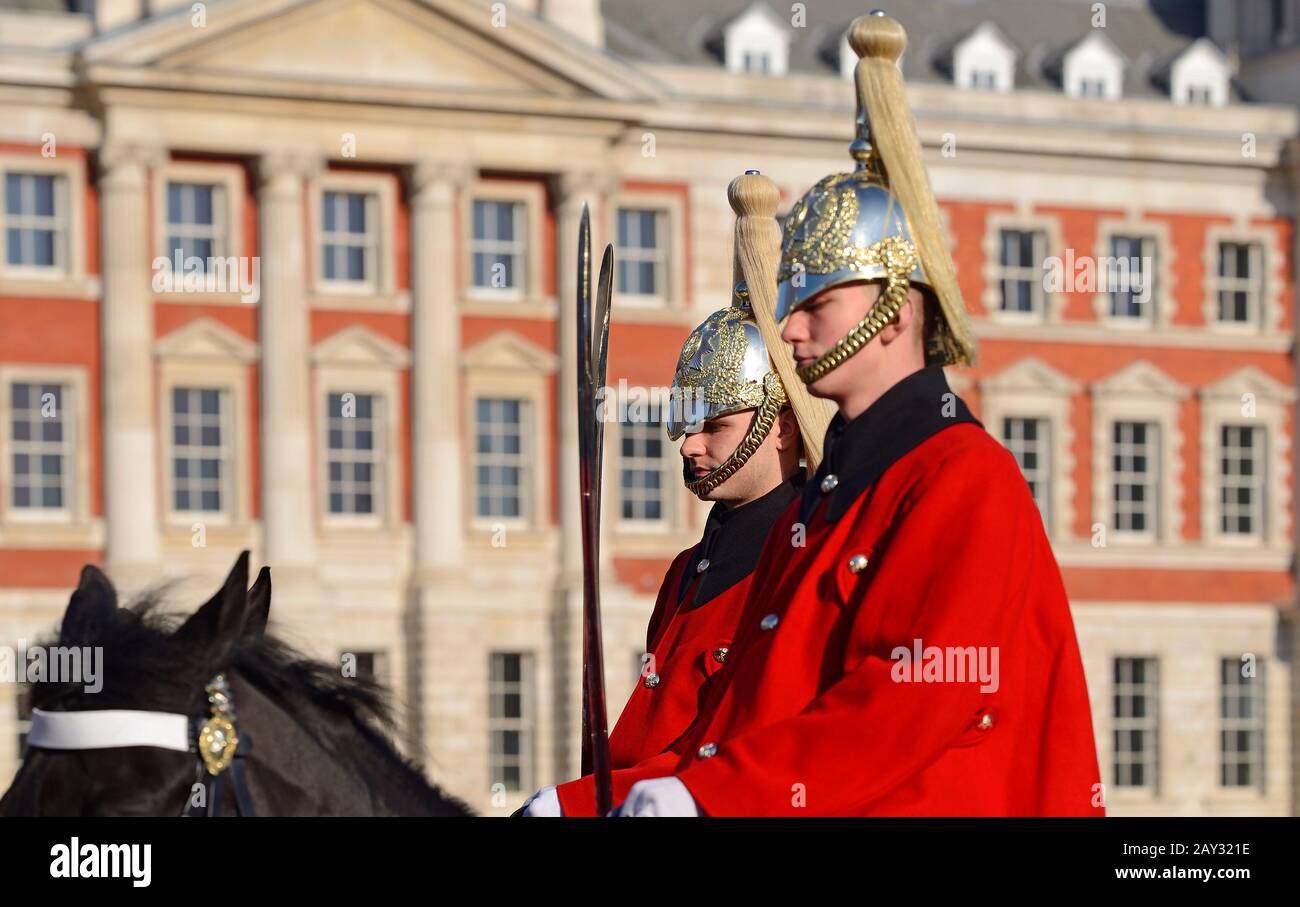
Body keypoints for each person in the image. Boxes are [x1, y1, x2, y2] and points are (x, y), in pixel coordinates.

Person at [615, 12, 1104, 818]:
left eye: (820, 304)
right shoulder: (824, 501)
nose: (793, 330)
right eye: (788, 307)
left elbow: (910, 701)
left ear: (897, 308)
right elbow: (744, 720)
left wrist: (708, 798)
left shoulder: (963, 477)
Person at [520, 292, 816, 816]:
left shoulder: (801, 562)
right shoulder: (686, 569)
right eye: (687, 423)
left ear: (782, 428)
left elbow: (733, 749)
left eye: (714, 424)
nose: (689, 444)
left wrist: (575, 804)